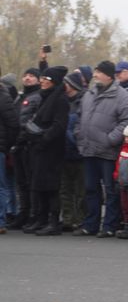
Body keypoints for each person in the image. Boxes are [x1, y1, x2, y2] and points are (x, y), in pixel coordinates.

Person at [74, 60, 128, 237]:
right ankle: (90, 224)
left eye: (98, 72)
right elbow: (80, 117)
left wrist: (110, 139)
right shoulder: (89, 93)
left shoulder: (122, 95)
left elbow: (127, 121)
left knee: (111, 190)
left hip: (108, 151)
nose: (95, 75)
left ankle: (109, 225)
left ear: (108, 75)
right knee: (90, 188)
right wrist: (79, 134)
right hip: (88, 149)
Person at [22, 66, 70, 235]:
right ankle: (41, 219)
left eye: (46, 79)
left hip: (51, 149)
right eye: (41, 78)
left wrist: (43, 138)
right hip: (39, 147)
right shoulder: (46, 97)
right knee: (38, 185)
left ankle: (53, 222)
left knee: (51, 187)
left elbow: (59, 125)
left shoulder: (60, 100)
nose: (42, 81)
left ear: (54, 82)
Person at [8, 66, 42, 228]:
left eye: (31, 76)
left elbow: (32, 122)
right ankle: (24, 212)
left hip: (29, 145)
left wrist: (21, 139)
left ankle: (33, 214)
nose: (27, 78)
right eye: (25, 75)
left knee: (31, 182)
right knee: (20, 182)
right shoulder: (20, 97)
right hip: (17, 146)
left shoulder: (38, 96)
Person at [61, 71, 87, 230]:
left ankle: (80, 219)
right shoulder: (62, 101)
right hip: (63, 152)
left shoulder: (84, 101)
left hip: (79, 153)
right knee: (64, 189)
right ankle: (67, 219)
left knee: (81, 190)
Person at [0, 75, 19, 233]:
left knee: (1, 185)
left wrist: (6, 146)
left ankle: (1, 220)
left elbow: (13, 124)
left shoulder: (4, 97)